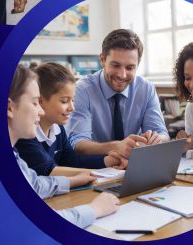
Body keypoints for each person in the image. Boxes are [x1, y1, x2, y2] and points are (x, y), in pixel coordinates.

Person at [8, 65, 119, 228]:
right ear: (10, 107)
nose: (40, 111)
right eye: (34, 103)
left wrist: (107, 162)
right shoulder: (24, 138)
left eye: (72, 100)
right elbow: (45, 220)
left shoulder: (18, 154)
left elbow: (38, 183)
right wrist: (95, 208)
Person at [67, 29, 169, 159]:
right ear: (102, 59)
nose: (122, 75)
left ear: (138, 64)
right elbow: (77, 144)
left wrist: (157, 139)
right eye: (115, 65)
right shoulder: (83, 89)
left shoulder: (146, 88)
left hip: (135, 165)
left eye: (130, 67)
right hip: (97, 168)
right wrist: (117, 146)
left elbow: (163, 134)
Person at [16, 62, 128, 176]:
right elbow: (48, 170)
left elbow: (71, 161)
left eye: (73, 100)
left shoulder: (58, 129)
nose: (72, 108)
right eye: (64, 101)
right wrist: (98, 173)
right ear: (40, 101)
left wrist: (108, 161)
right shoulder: (26, 133)